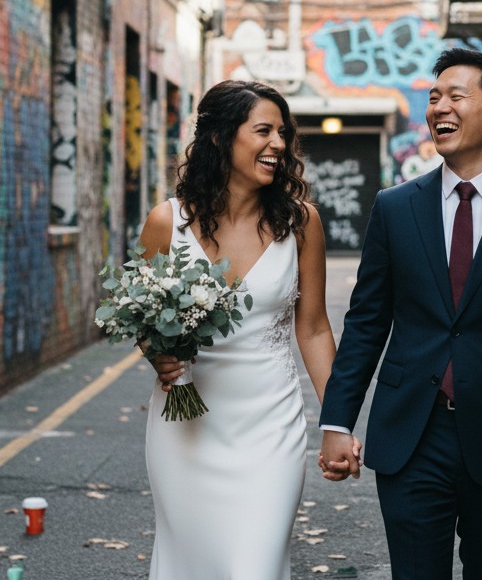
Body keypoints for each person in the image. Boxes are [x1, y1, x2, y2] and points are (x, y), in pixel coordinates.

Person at [319, 48, 482, 579]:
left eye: (456, 96)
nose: (439, 107)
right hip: (411, 433)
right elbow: (366, 322)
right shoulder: (395, 208)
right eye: (434, 97)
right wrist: (336, 421)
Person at [137, 80, 354, 579]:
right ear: (219, 137)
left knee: (255, 567)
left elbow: (314, 330)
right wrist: (157, 353)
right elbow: (141, 317)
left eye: (283, 133)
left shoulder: (301, 224)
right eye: (263, 130)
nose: (279, 143)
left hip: (269, 427)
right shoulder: (166, 223)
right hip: (185, 428)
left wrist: (338, 423)